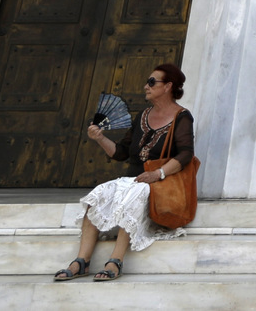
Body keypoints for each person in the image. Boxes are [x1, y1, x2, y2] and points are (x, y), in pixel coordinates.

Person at [53, 63, 195, 282]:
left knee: (134, 197)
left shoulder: (182, 117)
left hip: (160, 183)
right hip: (134, 179)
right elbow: (121, 153)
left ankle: (115, 260)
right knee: (97, 195)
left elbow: (186, 154)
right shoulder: (143, 115)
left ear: (168, 86)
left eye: (151, 82)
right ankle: (81, 261)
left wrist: (158, 173)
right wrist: (100, 138)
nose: (145, 86)